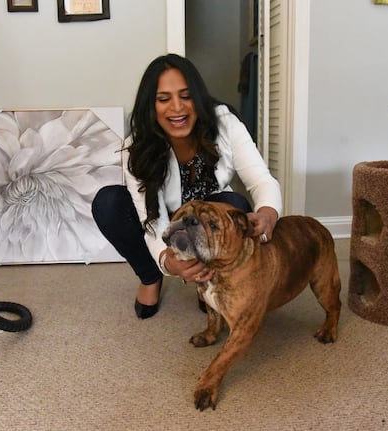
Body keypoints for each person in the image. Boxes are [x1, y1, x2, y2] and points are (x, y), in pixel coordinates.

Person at [92, 54, 282, 319]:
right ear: (151, 106)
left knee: (235, 205)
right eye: (164, 99)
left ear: (198, 97)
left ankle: (209, 277)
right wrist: (167, 262)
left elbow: (261, 180)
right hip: (168, 221)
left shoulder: (225, 122)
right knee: (108, 203)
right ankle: (149, 277)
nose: (177, 108)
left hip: (208, 220)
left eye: (186, 95)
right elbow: (152, 218)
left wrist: (268, 213)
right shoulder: (137, 147)